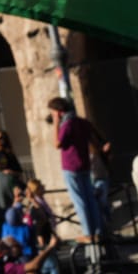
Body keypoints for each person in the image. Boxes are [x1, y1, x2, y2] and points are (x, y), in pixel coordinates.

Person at [48, 98, 107, 243]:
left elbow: (57, 143)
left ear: (59, 112)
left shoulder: (67, 124)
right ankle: (97, 231)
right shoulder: (82, 122)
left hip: (70, 166)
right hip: (84, 165)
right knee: (90, 199)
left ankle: (88, 233)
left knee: (79, 200)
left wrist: (56, 124)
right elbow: (94, 137)